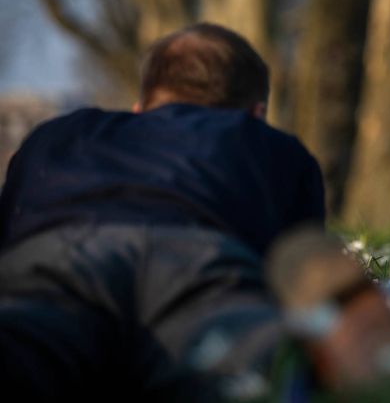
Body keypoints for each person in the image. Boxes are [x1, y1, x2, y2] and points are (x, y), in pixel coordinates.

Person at [0, 23, 330, 400]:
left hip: (60, 259)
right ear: (255, 114)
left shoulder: (55, 138)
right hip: (197, 264)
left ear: (140, 109)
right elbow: (299, 278)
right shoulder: (274, 147)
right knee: (260, 375)